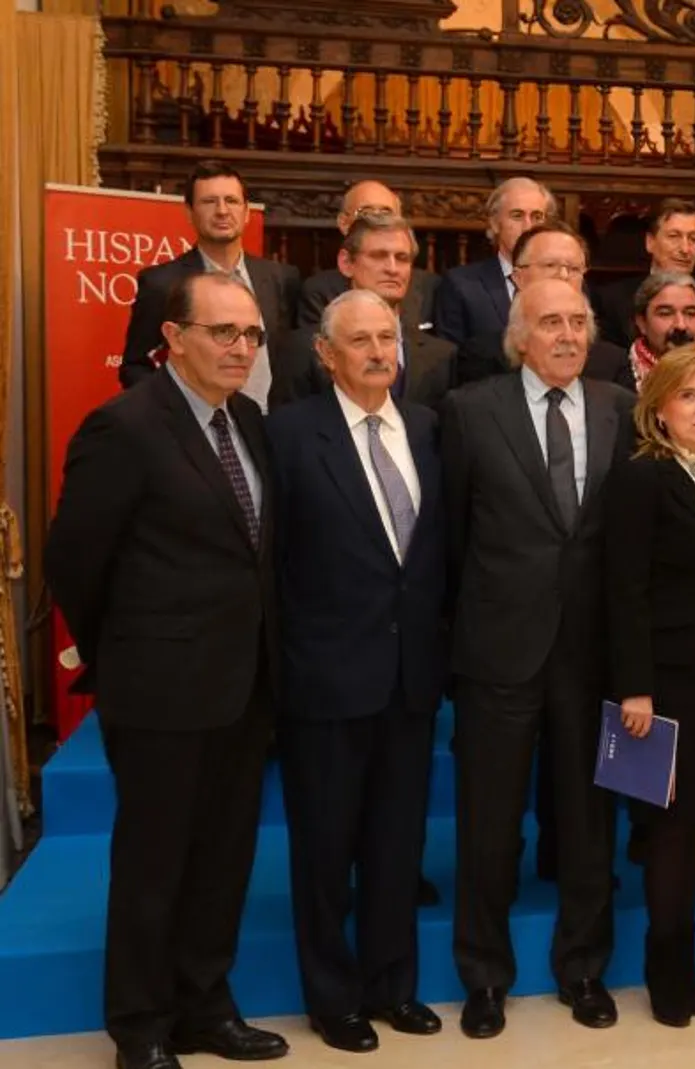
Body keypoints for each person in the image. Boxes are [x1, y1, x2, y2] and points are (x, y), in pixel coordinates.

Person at [48, 272, 288, 1069]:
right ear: (172, 337)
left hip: (244, 686)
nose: (241, 348)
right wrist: (124, 659)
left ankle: (204, 1007)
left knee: (224, 861)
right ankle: (142, 1028)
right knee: (154, 865)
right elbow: (75, 561)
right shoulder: (124, 426)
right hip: (157, 692)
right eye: (224, 332)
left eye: (251, 335)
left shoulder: (247, 420)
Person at [441, 279, 636, 1038]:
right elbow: (454, 536)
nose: (566, 334)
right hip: (499, 645)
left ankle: (584, 967)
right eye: (550, 321)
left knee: (589, 819)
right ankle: (484, 976)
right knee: (489, 819)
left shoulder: (621, 409)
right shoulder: (469, 410)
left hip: (592, 652)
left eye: (578, 321)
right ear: (519, 335)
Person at [267, 290, 448, 1052]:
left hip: (409, 678)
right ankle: (333, 995)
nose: (380, 351)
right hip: (326, 678)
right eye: (362, 340)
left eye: (389, 336)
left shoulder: (431, 429)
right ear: (326, 354)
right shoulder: (287, 435)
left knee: (396, 843)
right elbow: (272, 565)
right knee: (324, 848)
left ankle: (393, 985)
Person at [601, 346, 695, 1026]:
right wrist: (635, 687)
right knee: (668, 831)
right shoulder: (642, 477)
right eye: (688, 396)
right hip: (661, 684)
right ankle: (666, 972)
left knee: (688, 827)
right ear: (658, 406)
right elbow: (624, 588)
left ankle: (681, 965)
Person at [119, 160, 303, 411]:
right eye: (209, 201)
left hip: (274, 428)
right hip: (199, 429)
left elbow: (295, 359)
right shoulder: (161, 283)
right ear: (189, 212)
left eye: (232, 201)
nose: (222, 211)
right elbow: (135, 366)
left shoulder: (282, 278)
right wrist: (177, 412)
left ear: (247, 212)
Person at [277, 215, 456, 411]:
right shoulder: (302, 349)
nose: (393, 269)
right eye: (379, 256)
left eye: (402, 258)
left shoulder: (441, 356)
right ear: (346, 263)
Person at [590, 198, 695, 385]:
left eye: (693, 239)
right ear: (650, 242)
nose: (685, 249)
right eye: (674, 236)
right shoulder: (611, 300)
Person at [455, 221, 624, 391]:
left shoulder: (613, 362)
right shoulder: (481, 356)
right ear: (518, 278)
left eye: (573, 268)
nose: (563, 276)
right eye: (550, 265)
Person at [585, 269, 695, 410]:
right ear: (642, 322)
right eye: (665, 313)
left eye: (691, 313)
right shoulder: (611, 380)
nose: (680, 325)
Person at [295, 180, 440, 330]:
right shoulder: (319, 292)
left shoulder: (429, 287)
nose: (377, 220)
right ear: (343, 223)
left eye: (386, 213)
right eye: (365, 213)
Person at [432, 176, 554, 345]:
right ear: (495, 224)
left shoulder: (566, 280)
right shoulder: (461, 285)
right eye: (517, 216)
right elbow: (450, 358)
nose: (528, 227)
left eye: (537, 217)